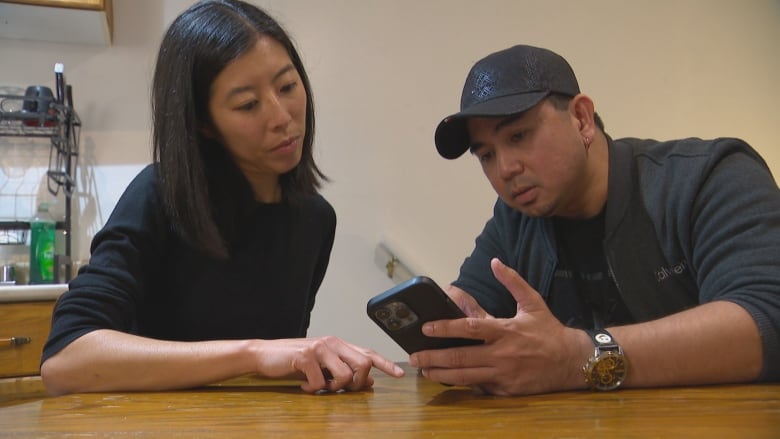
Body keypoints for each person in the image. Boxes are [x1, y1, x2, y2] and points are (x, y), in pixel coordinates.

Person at [40, 0, 403, 396]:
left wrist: (317, 365)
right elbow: (66, 360)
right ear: (203, 123)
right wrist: (253, 354)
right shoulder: (159, 195)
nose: (282, 116)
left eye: (287, 86)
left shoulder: (315, 219)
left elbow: (275, 364)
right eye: (248, 104)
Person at [409, 44, 780, 395]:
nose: (505, 168)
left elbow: (766, 319)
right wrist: (446, 331)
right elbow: (469, 310)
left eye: (519, 135)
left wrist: (577, 357)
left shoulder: (709, 178)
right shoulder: (516, 220)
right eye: (486, 155)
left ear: (581, 118)